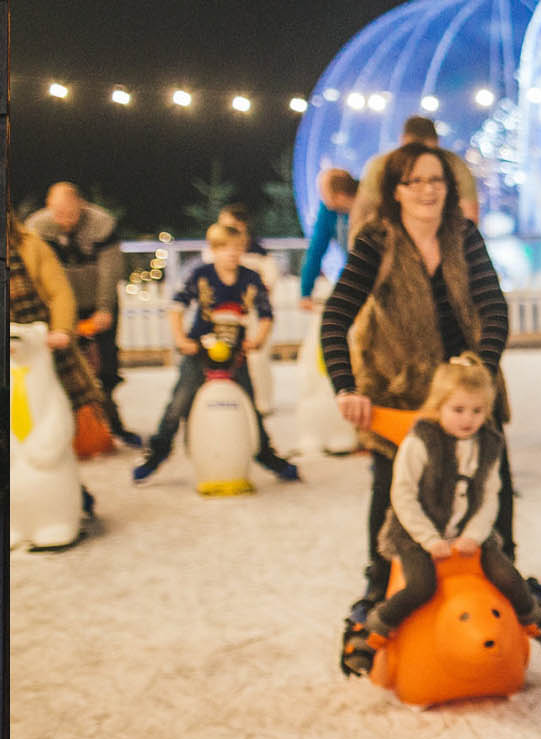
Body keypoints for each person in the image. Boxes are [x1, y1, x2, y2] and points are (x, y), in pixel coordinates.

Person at [321, 143, 522, 659]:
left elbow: (493, 308)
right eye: (415, 181)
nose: (428, 190)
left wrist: (482, 372)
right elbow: (336, 317)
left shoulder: (464, 236)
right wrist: (346, 386)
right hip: (399, 393)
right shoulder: (377, 242)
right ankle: (378, 589)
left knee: (490, 483)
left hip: (467, 394)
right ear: (396, 190)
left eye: (436, 180)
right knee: (392, 490)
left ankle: (506, 586)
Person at [341, 356, 541, 673]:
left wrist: (473, 536)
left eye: (477, 411)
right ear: (439, 406)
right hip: (415, 533)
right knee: (420, 586)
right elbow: (402, 495)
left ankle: (537, 622)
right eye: (458, 409)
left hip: (468, 530)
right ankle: (371, 635)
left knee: (507, 575)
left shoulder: (488, 444)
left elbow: (489, 496)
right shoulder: (421, 441)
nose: (468, 419)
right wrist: (428, 539)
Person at [132, 224, 299, 483]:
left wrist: (258, 340)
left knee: (250, 407)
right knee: (178, 403)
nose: (231, 254)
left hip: (235, 355)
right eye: (224, 248)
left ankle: (265, 453)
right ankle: (157, 452)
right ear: (213, 250)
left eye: (237, 248)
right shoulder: (202, 275)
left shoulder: (251, 278)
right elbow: (176, 307)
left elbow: (266, 314)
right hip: (200, 352)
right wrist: (181, 339)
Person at [26, 182, 141, 447]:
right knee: (63, 368)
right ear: (48, 207)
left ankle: (113, 424)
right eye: (58, 214)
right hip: (60, 308)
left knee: (106, 368)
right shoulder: (36, 227)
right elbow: (38, 273)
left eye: (71, 214)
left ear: (82, 204)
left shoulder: (102, 224)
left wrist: (104, 308)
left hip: (97, 303)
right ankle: (66, 429)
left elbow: (110, 270)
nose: (65, 221)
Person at [10, 212, 106, 515]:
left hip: (43, 347)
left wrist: (62, 330)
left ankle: (71, 495)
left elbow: (60, 291)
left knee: (53, 421)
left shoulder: (30, 244)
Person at [349, 115, 480, 238]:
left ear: (403, 139)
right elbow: (470, 213)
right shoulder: (381, 165)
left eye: (435, 179)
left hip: (441, 241)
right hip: (392, 240)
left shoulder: (381, 164)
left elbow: (361, 214)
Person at [299, 169, 359, 311]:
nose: (323, 199)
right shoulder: (328, 211)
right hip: (353, 277)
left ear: (339, 196)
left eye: (323, 193)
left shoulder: (371, 204)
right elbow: (316, 251)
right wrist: (306, 292)